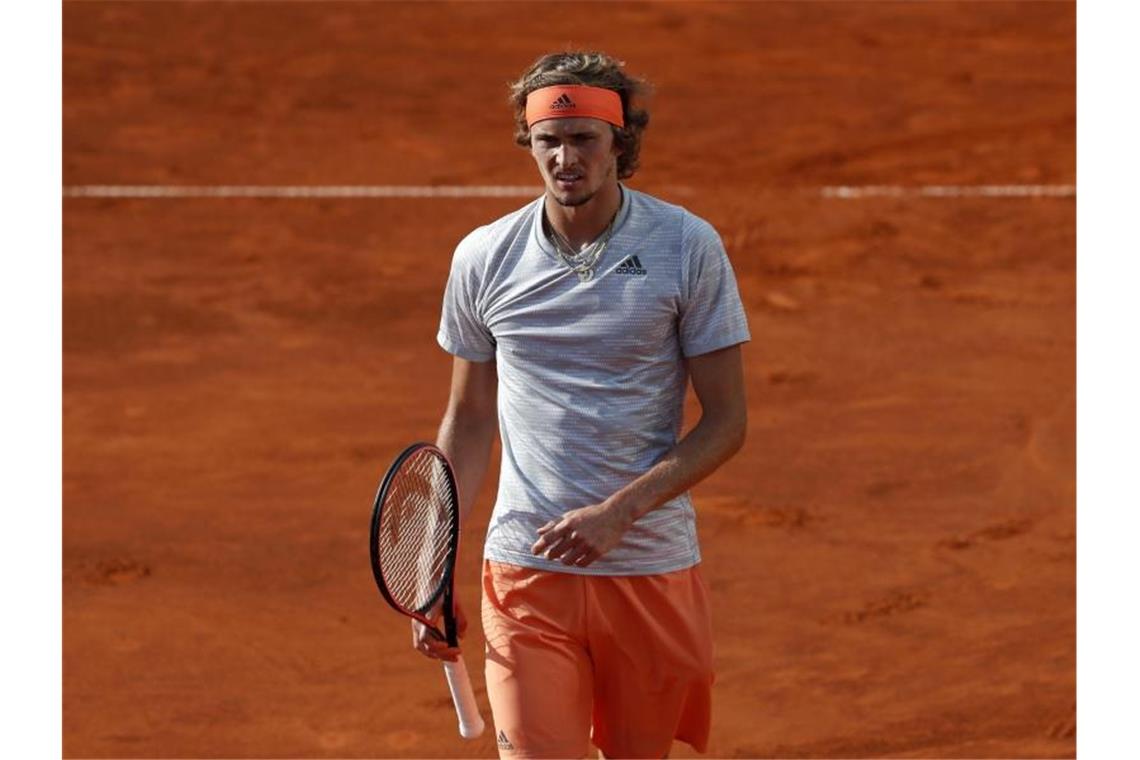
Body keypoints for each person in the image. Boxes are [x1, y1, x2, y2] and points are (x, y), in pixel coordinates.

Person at [414, 50, 750, 758]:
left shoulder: (685, 246)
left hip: (648, 568)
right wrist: (432, 568)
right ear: (529, 144)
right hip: (526, 571)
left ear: (620, 143)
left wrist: (618, 512)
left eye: (584, 140)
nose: (565, 159)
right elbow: (470, 419)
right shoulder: (484, 258)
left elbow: (726, 422)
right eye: (549, 141)